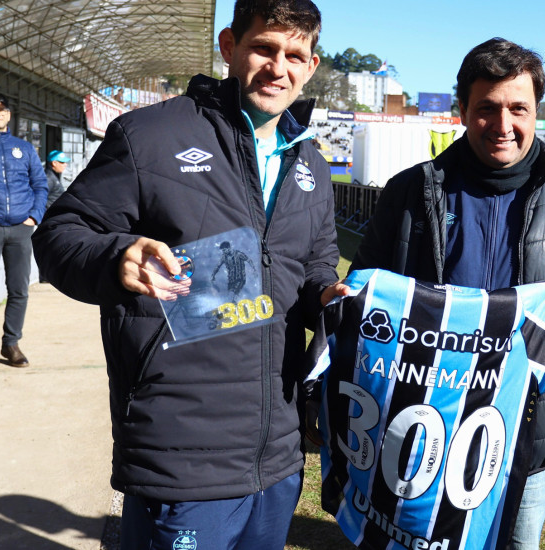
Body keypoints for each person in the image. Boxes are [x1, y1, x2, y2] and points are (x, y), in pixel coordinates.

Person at [32, 1, 346, 548]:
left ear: (311, 65)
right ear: (229, 47)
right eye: (264, 48)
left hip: (277, 452)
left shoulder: (311, 164)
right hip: (181, 451)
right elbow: (60, 234)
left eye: (295, 56)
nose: (279, 68)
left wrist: (328, 291)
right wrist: (116, 256)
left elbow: (313, 263)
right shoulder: (150, 136)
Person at [349, 38, 545, 549]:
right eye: (487, 108)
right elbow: (365, 289)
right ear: (463, 110)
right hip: (422, 419)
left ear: (536, 112)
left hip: (529, 429)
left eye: (518, 108)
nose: (503, 125)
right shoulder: (410, 191)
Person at [0, 91, 48, 368]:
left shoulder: (25, 148)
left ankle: (11, 344)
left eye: (2, 109)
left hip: (21, 229)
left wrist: (34, 216)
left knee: (19, 289)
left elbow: (39, 184)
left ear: (9, 113)